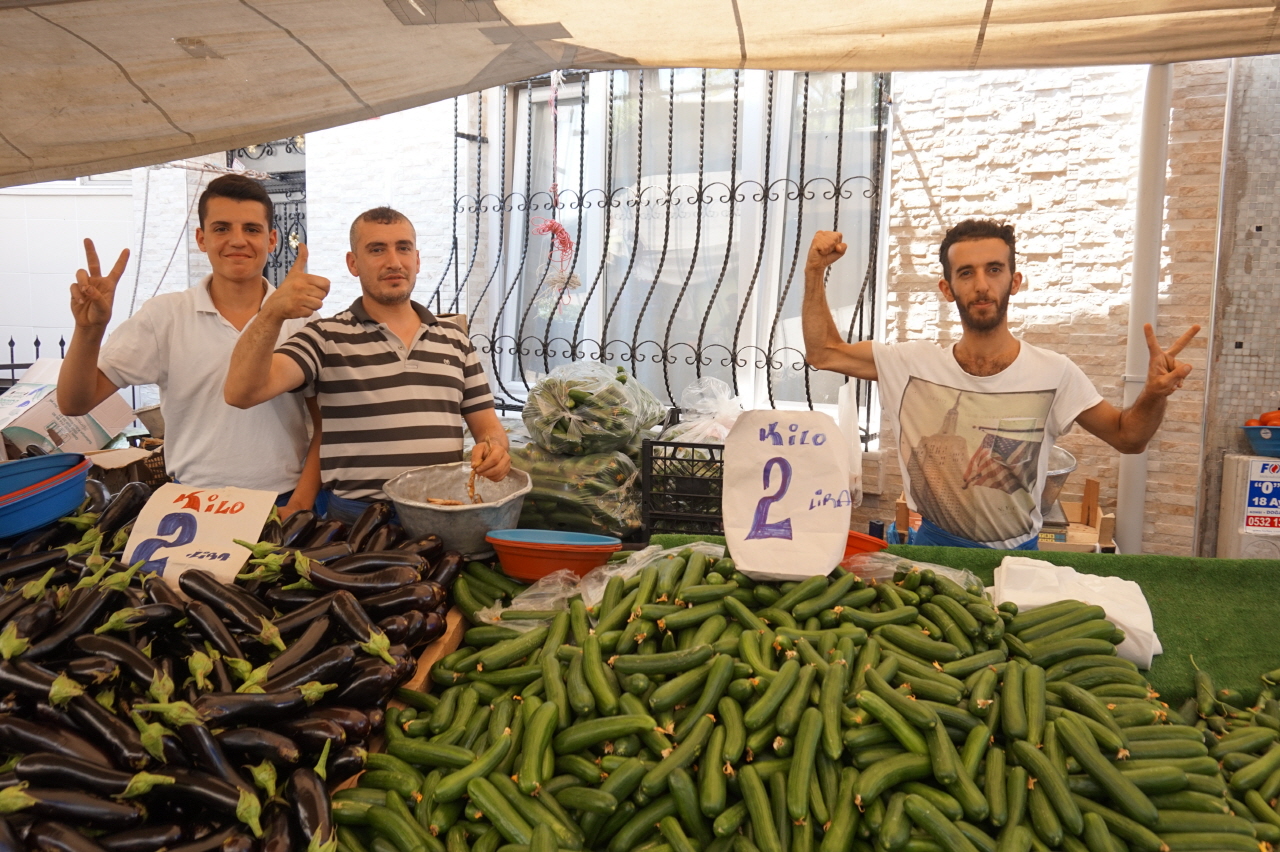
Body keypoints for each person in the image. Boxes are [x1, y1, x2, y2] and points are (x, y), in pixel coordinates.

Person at [802, 219, 1200, 550]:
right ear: (947, 289)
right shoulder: (910, 364)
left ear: (1014, 281)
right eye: (966, 273)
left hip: (1018, 559)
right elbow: (824, 352)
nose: (981, 285)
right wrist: (814, 272)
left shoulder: (1055, 372)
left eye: (994, 269)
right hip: (932, 553)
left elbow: (1128, 437)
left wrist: (1153, 395)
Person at [223, 206, 510, 525]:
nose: (393, 262)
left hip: (440, 513)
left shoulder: (455, 340)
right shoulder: (324, 338)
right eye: (377, 249)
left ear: (417, 259)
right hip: (353, 522)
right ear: (353, 263)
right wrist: (272, 313)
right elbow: (241, 392)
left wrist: (495, 450)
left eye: (403, 248)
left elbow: (488, 428)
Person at [57, 174, 323, 515]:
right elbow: (73, 402)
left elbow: (325, 424)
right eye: (222, 228)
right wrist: (88, 330)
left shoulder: (302, 321)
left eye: (252, 229)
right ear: (201, 238)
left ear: (272, 239)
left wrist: (300, 503)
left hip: (281, 502)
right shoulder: (164, 316)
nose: (238, 240)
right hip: (192, 505)